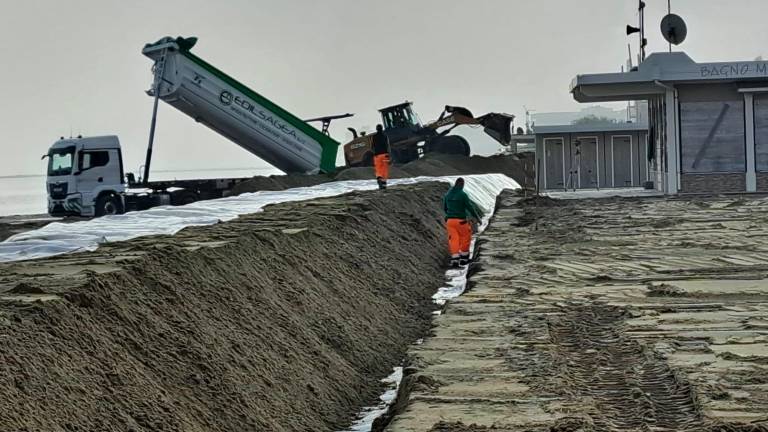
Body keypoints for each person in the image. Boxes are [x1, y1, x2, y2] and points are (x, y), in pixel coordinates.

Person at [443, 177, 483, 267]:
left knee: (453, 240)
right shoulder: (462, 195)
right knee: (465, 238)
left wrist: (451, 214)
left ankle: (455, 261)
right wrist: (477, 217)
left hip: (450, 221)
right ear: (461, 184)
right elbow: (470, 207)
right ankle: (464, 259)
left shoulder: (447, 195)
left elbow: (445, 208)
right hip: (461, 221)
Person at [372, 124, 391, 190]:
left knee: (378, 169)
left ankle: (379, 178)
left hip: (377, 156)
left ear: (376, 129)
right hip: (384, 155)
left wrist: (374, 154)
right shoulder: (385, 136)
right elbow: (387, 145)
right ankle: (384, 184)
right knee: (384, 169)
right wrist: (389, 154)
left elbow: (372, 146)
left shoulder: (374, 137)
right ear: (382, 128)